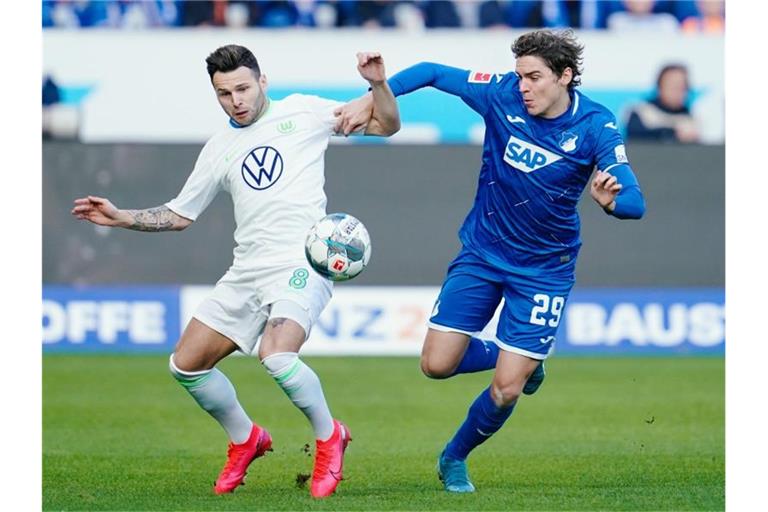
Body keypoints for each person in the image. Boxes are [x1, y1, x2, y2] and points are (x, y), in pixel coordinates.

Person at [71, 44, 399, 498]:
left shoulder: (304, 112)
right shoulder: (219, 148)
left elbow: (385, 125)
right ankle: (247, 438)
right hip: (247, 270)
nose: (236, 100)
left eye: (243, 88)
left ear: (263, 82)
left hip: (302, 261)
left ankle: (330, 437)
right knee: (185, 366)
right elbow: (180, 215)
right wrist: (121, 216)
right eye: (224, 93)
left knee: (277, 353)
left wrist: (378, 84)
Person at [335, 29, 645, 493]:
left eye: (534, 77)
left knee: (506, 389)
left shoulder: (595, 126)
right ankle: (522, 357)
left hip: (545, 270)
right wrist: (372, 95)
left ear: (565, 76)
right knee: (436, 365)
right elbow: (433, 72)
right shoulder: (501, 93)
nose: (523, 86)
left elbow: (635, 200)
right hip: (482, 254)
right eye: (519, 75)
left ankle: (454, 456)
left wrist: (610, 203)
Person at [626, 63, 700, 143]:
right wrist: (672, 133)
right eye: (672, 85)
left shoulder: (691, 120)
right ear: (660, 86)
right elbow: (635, 137)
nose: (676, 91)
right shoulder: (641, 111)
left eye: (681, 86)